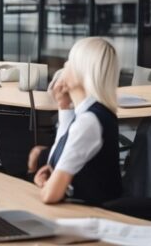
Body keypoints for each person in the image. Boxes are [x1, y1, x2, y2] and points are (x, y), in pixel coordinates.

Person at [28, 37, 122, 205]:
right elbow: (57, 162)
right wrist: (63, 105)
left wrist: (51, 185)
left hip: (93, 216)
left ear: (82, 71)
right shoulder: (88, 113)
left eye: (70, 61)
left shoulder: (88, 121)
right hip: (81, 208)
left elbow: (50, 196)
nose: (64, 65)